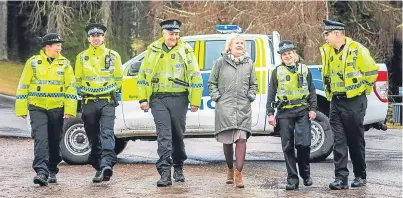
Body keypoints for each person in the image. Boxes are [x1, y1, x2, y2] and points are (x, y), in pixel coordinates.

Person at [137, 19, 203, 187]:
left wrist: (195, 100)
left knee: (177, 135)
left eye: (176, 34)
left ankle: (178, 166)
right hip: (158, 98)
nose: (174, 36)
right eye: (171, 33)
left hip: (179, 98)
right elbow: (143, 76)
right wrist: (143, 98)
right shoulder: (152, 50)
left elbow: (195, 75)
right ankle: (165, 172)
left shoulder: (186, 50)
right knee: (163, 135)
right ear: (163, 33)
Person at [321, 20, 379, 190]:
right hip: (336, 102)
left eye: (327, 34)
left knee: (355, 140)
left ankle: (360, 175)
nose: (325, 37)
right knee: (338, 141)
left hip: (354, 101)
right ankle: (340, 178)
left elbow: (371, 73)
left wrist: (362, 91)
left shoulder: (357, 50)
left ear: (337, 33)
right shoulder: (328, 51)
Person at [15, 33, 77, 186]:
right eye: (57, 45)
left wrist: (69, 109)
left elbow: (71, 88)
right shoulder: (33, 63)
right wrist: (22, 109)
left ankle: (52, 168)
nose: (60, 48)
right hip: (37, 107)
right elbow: (23, 86)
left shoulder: (65, 64)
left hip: (57, 108)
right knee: (40, 139)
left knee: (54, 140)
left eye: (60, 45)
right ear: (48, 46)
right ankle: (41, 172)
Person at [75, 23, 123, 183]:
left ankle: (107, 164)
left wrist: (111, 90)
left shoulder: (113, 55)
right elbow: (78, 80)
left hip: (107, 100)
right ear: (89, 38)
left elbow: (118, 79)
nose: (96, 38)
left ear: (103, 37)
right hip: (88, 101)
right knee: (92, 135)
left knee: (107, 133)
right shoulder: (81, 57)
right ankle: (98, 165)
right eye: (93, 36)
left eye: (99, 36)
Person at [208, 34, 257, 188]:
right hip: (225, 108)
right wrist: (217, 98)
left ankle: (239, 173)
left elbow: (253, 84)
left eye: (242, 43)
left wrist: (251, 95)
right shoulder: (220, 63)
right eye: (237, 43)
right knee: (227, 142)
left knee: (242, 139)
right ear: (230, 46)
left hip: (243, 107)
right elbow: (211, 82)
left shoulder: (249, 64)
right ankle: (230, 168)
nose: (240, 45)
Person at [266, 40, 317, 190]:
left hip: (302, 110)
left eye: (289, 53)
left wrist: (313, 109)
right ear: (281, 58)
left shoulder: (304, 69)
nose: (287, 56)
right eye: (284, 54)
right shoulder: (277, 72)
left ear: (295, 54)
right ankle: (292, 179)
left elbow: (312, 91)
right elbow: (271, 94)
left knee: (303, 144)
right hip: (284, 112)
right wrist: (270, 113)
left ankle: (305, 173)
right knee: (287, 147)